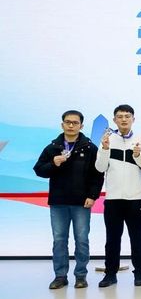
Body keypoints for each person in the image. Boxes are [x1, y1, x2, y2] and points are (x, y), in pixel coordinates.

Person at [34, 110, 104, 289]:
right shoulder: (52, 148)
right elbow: (39, 170)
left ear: (81, 125)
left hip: (81, 203)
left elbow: (97, 175)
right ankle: (60, 276)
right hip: (58, 202)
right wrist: (53, 163)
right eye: (68, 122)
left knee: (82, 240)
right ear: (62, 124)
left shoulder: (90, 148)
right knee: (59, 240)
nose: (71, 125)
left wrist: (92, 196)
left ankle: (81, 276)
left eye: (75, 122)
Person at [94, 104, 141, 288]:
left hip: (136, 198)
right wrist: (104, 148)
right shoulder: (107, 139)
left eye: (127, 116)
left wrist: (138, 155)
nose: (124, 119)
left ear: (133, 119)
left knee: (137, 238)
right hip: (113, 199)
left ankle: (139, 273)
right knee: (112, 239)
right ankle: (110, 274)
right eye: (120, 116)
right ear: (114, 120)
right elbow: (100, 167)